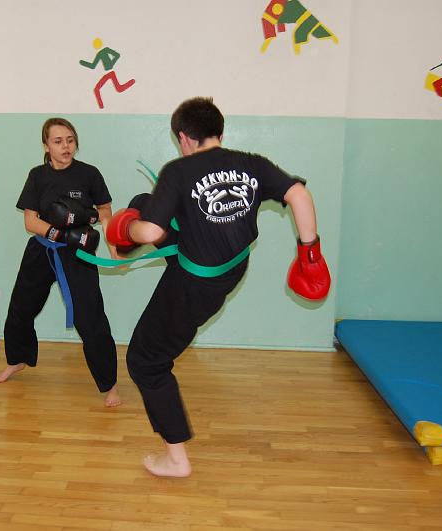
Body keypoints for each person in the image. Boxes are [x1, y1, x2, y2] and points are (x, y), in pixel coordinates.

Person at [106, 97, 331, 477]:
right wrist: (310, 253)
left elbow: (152, 232)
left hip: (195, 281)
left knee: (146, 361)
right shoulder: (252, 163)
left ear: (183, 137)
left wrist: (125, 227)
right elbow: (299, 195)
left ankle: (176, 460)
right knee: (145, 200)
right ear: (219, 133)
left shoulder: (178, 170)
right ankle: (136, 235)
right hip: (232, 265)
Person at [0, 117, 123, 408]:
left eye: (70, 140)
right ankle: (17, 360)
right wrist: (60, 233)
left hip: (77, 254)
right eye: (58, 141)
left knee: (90, 317)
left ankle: (109, 384)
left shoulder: (89, 174)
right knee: (21, 307)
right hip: (42, 250)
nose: (66, 147)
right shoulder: (37, 176)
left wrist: (115, 248)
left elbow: (105, 212)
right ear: (46, 146)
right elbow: (30, 221)